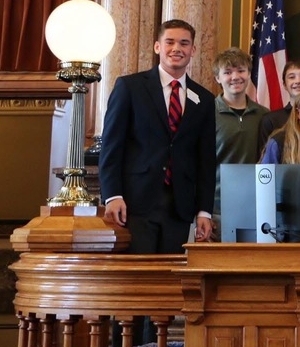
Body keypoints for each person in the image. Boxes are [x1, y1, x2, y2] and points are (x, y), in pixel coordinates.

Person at [100, 19, 215, 252]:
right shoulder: (129, 87)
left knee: (172, 280)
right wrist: (112, 195)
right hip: (135, 202)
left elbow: (206, 160)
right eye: (169, 42)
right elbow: (112, 146)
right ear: (157, 47)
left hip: (180, 206)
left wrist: (204, 210)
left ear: (192, 50)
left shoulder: (204, 98)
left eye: (184, 43)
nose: (176, 49)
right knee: (138, 278)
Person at [212, 47, 268, 241]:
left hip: (257, 207)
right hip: (216, 209)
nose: (235, 77)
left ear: (249, 73)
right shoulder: (206, 114)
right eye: (227, 72)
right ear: (218, 78)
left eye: (240, 70)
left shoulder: (264, 115)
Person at [258, 60, 300, 151]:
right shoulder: (270, 120)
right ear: (284, 85)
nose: (298, 81)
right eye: (292, 77)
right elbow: (264, 159)